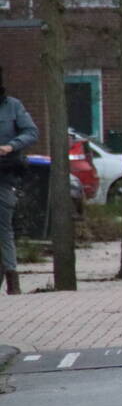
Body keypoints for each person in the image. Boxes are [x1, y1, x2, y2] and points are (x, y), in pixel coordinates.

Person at [0, 66, 39, 295]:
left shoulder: (12, 106)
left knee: (4, 226)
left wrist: (11, 146)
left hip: (5, 173)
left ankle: (13, 279)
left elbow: (31, 132)